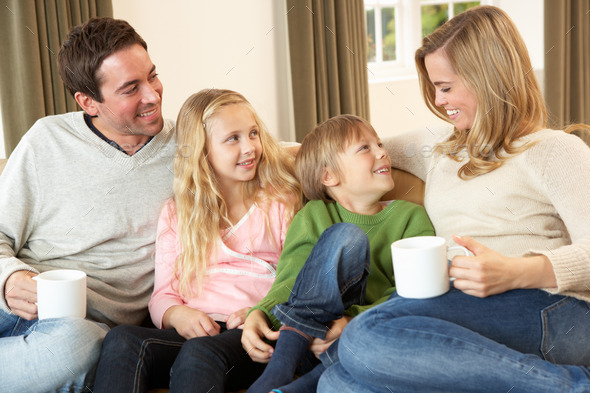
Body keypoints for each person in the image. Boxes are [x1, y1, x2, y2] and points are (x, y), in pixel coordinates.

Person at [317, 6, 590, 393]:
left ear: (488, 79)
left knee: (364, 336)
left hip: (552, 308)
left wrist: (515, 271)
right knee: (338, 384)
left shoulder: (554, 150)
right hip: (464, 303)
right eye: (433, 87)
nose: (438, 100)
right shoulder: (440, 147)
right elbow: (347, 152)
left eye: (445, 87)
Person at [0, 17, 176, 392]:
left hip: (77, 327)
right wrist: (9, 278)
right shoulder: (46, 139)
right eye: (131, 88)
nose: (153, 95)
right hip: (11, 302)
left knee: (78, 349)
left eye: (152, 75)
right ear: (89, 102)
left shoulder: (191, 148)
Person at [93, 88, 303, 393]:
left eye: (253, 133)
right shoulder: (178, 213)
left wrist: (265, 310)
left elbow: (297, 279)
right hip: (195, 331)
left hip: (250, 333)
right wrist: (177, 315)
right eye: (233, 138)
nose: (250, 147)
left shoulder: (279, 203)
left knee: (200, 353)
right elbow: (162, 294)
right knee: (122, 339)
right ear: (202, 151)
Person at [242, 115, 435, 393]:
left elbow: (413, 293)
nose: (382, 152)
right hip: (309, 342)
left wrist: (352, 320)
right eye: (365, 148)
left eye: (379, 143)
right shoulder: (314, 214)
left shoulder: (410, 217)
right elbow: (290, 277)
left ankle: (294, 388)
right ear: (328, 176)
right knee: (346, 237)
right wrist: (259, 312)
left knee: (369, 341)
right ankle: (279, 371)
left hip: (369, 333)